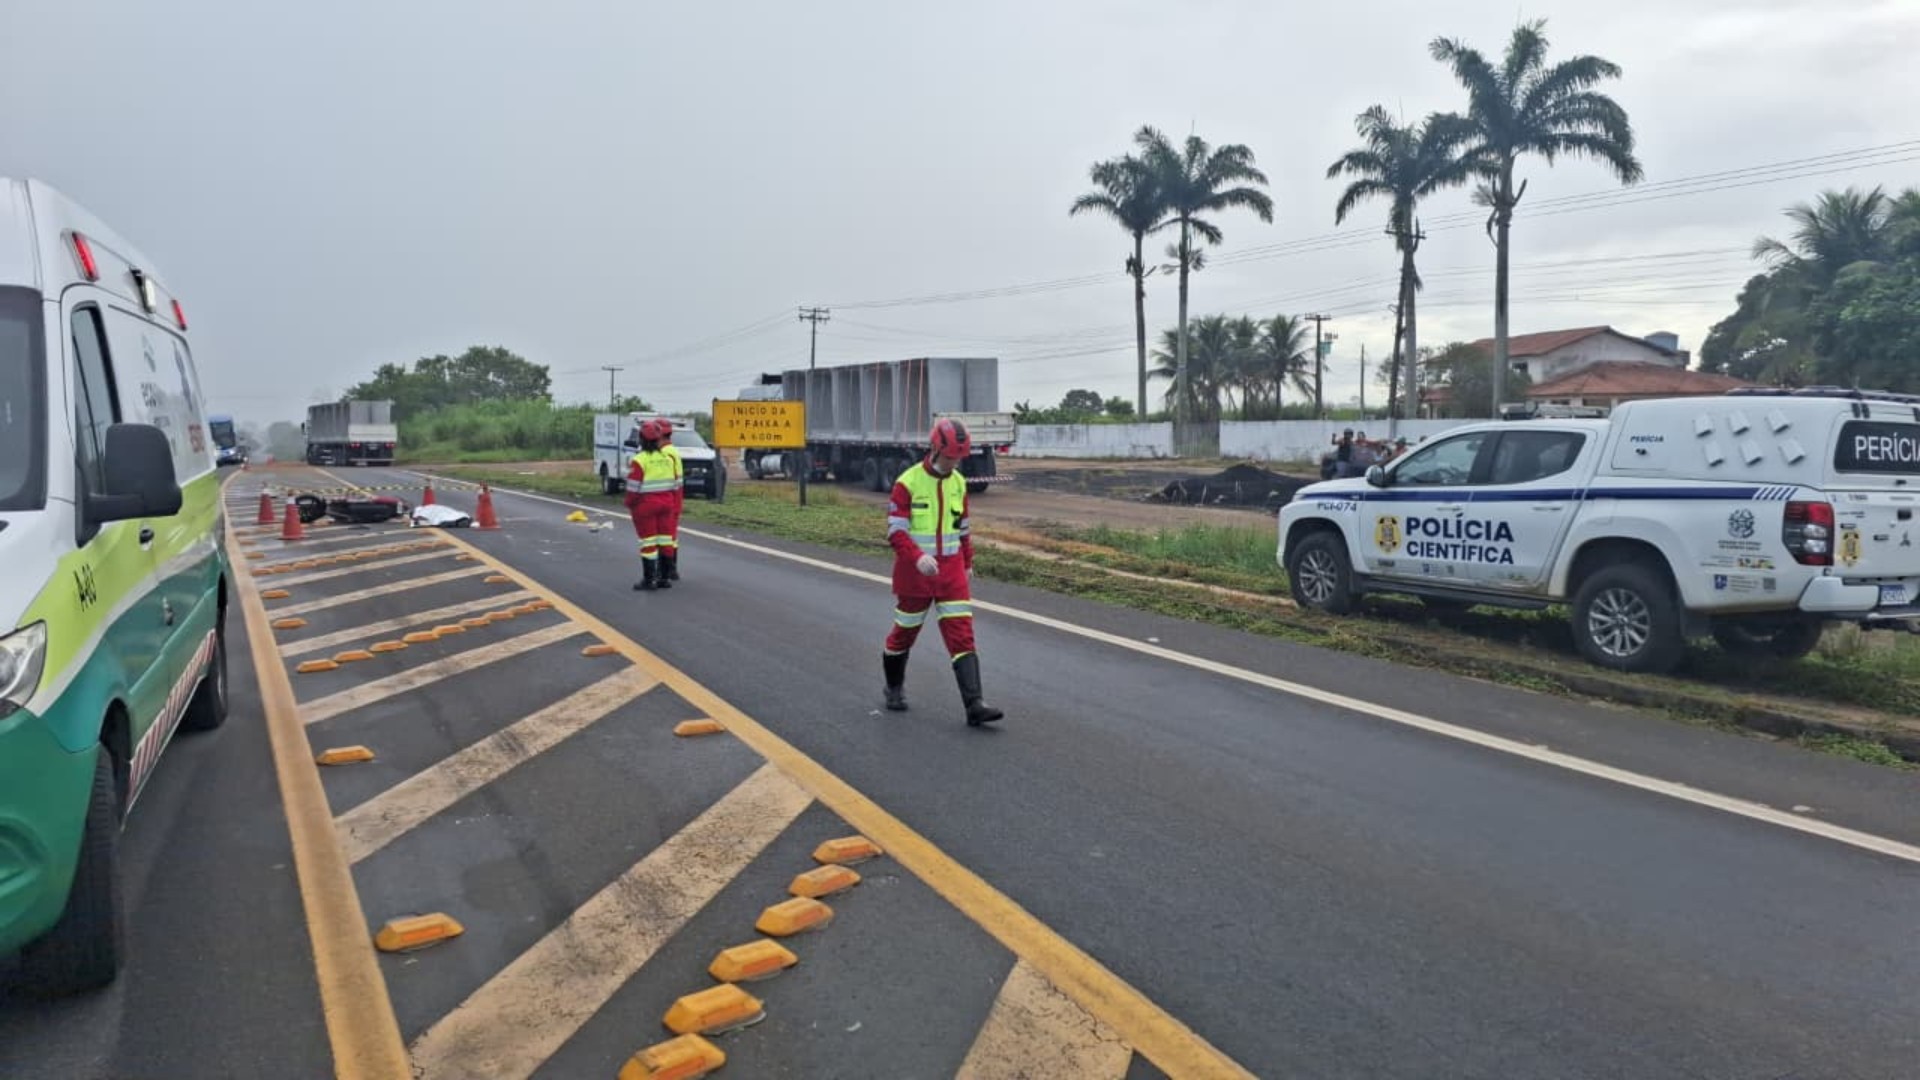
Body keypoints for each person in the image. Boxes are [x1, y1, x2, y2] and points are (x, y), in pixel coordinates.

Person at [881, 418, 1003, 727]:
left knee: (962, 635)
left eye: (959, 458)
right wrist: (918, 557)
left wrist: (968, 562)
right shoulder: (907, 482)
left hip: (951, 573)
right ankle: (893, 688)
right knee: (904, 633)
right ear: (935, 449)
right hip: (915, 575)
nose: (954, 463)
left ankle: (975, 705)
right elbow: (896, 532)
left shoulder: (958, 482)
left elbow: (963, 528)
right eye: (950, 457)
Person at [622, 419, 677, 591]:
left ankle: (649, 579)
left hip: (646, 506)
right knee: (666, 540)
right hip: (667, 505)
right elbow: (675, 484)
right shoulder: (668, 459)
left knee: (648, 543)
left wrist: (629, 504)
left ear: (642, 439)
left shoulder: (639, 460)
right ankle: (664, 578)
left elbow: (633, 488)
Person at [656, 418, 686, 581]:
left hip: (669, 497)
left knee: (665, 536)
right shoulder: (672, 450)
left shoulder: (665, 454)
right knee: (671, 535)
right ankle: (672, 569)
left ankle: (668, 570)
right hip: (675, 497)